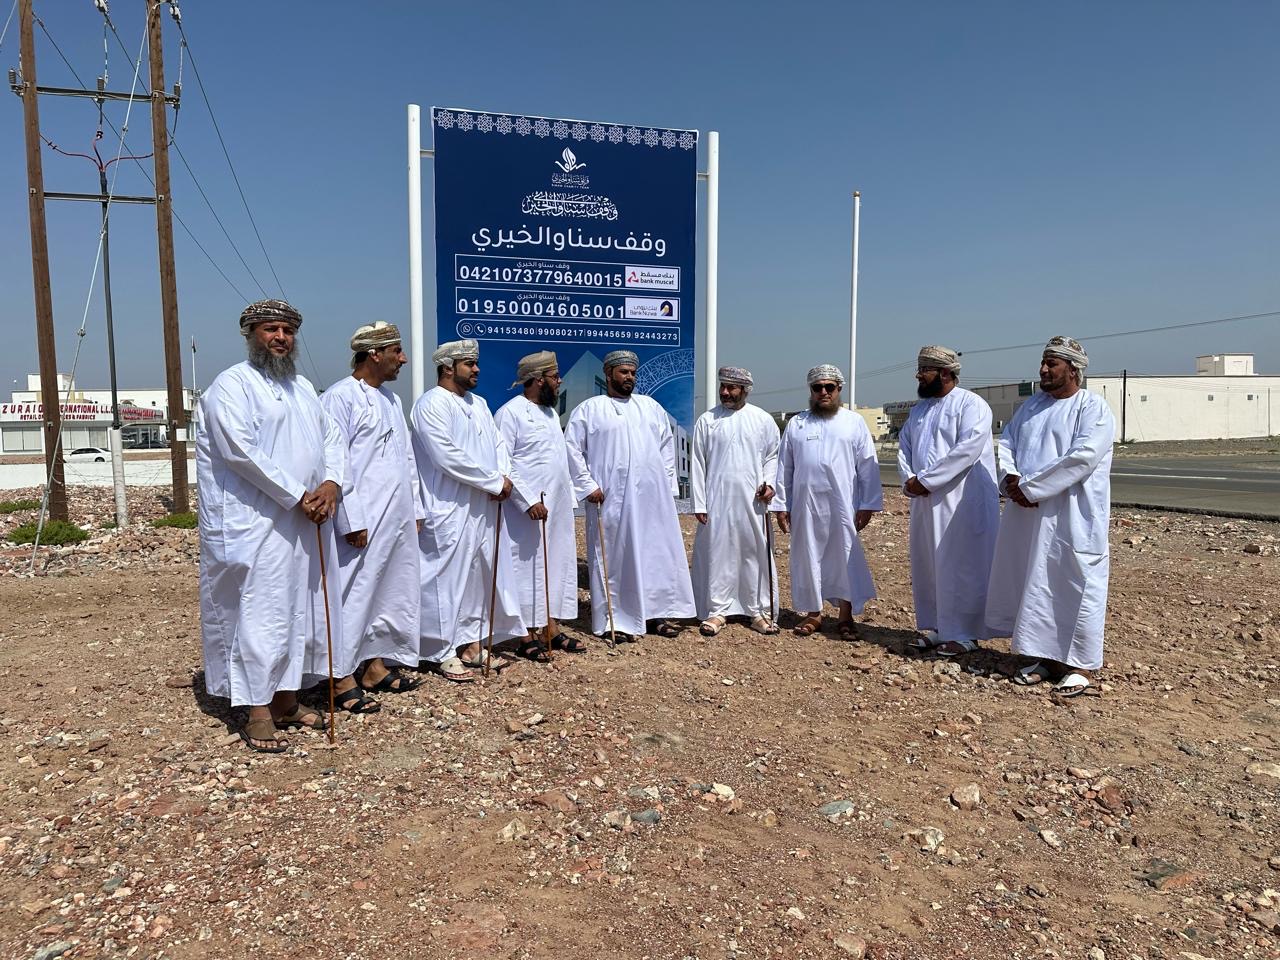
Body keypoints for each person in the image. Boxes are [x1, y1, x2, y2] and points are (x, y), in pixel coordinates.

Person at [196, 299, 353, 752]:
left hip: (303, 520)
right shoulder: (232, 385)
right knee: (259, 612)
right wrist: (299, 495)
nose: (280, 337)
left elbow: (331, 439)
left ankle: (286, 700)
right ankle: (257, 709)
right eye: (270, 329)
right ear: (250, 334)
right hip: (254, 521)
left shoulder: (302, 388)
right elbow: (240, 451)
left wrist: (330, 483)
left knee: (297, 610)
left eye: (287, 330)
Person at [985, 336, 1115, 697]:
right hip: (1027, 513)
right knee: (1035, 580)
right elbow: (1007, 442)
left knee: (1073, 581)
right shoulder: (1031, 406)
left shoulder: (1093, 408)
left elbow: (1082, 458)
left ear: (1073, 370)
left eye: (1051, 363)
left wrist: (1030, 488)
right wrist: (1010, 479)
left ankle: (1080, 666)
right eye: (1043, 362)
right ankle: (1045, 658)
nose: (1043, 369)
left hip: (1072, 515)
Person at [320, 321, 424, 708]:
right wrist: (350, 519)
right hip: (361, 519)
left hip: (396, 516)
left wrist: (415, 509)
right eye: (397, 351)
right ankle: (340, 676)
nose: (404, 359)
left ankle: (375, 666)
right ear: (374, 354)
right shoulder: (339, 397)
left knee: (390, 591)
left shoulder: (392, 400)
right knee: (354, 594)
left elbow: (407, 460)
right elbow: (335, 462)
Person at [411, 338, 524, 681]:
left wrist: (502, 477)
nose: (476, 369)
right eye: (469, 364)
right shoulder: (431, 404)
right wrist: (493, 481)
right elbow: (445, 455)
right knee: (445, 577)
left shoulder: (480, 403)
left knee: (477, 576)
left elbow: (498, 445)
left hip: (482, 505)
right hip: (448, 505)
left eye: (476, 363)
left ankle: (471, 644)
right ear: (448, 368)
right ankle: (439, 650)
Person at [564, 349, 695, 642]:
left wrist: (666, 486)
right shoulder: (589, 409)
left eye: (633, 373)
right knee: (613, 556)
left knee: (654, 554)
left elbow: (667, 448)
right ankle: (616, 620)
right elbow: (572, 449)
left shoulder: (650, 407)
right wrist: (587, 485)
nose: (629, 378)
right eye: (624, 372)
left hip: (652, 498)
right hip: (610, 499)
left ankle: (655, 614)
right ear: (608, 374)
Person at [898, 345, 1000, 657]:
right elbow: (904, 447)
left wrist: (926, 480)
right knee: (930, 564)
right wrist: (910, 479)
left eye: (924, 370)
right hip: (925, 502)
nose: (918, 375)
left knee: (962, 566)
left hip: (961, 503)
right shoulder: (919, 411)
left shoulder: (972, 405)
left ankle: (966, 633)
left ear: (944, 373)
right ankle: (941, 627)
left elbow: (967, 450)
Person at [770, 364, 882, 640]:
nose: (823, 392)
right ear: (810, 390)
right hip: (805, 505)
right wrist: (781, 505)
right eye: (817, 387)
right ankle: (813, 613)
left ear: (838, 389)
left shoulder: (853, 422)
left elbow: (867, 466)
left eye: (829, 387)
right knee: (808, 556)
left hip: (843, 504)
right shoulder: (797, 424)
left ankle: (845, 616)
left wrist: (868, 503)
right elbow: (785, 467)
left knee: (844, 555)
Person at [494, 351, 591, 659]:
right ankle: (524, 635)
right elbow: (503, 464)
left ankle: (550, 627)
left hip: (556, 505)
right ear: (538, 380)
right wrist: (527, 501)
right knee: (525, 569)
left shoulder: (549, 413)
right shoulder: (510, 413)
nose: (559, 381)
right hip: (525, 510)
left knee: (555, 565)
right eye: (554, 376)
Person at [690, 365, 780, 636]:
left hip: (753, 502)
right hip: (717, 501)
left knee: (754, 554)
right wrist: (699, 503)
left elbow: (773, 457)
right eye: (723, 386)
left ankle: (758, 611)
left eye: (732, 387)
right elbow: (698, 463)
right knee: (718, 554)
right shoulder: (707, 420)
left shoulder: (762, 420)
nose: (725, 392)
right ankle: (717, 611)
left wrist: (770, 484)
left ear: (745, 390)